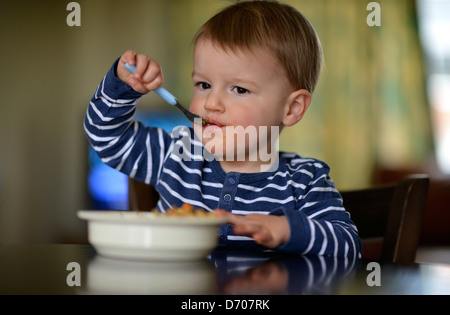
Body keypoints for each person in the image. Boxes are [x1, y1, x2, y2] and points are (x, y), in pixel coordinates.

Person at [85, 0, 362, 259]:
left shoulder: (305, 181)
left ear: (292, 108)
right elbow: (106, 137)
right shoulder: (176, 155)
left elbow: (348, 245)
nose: (212, 103)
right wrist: (122, 87)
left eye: (239, 89)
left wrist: (288, 230)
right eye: (204, 85)